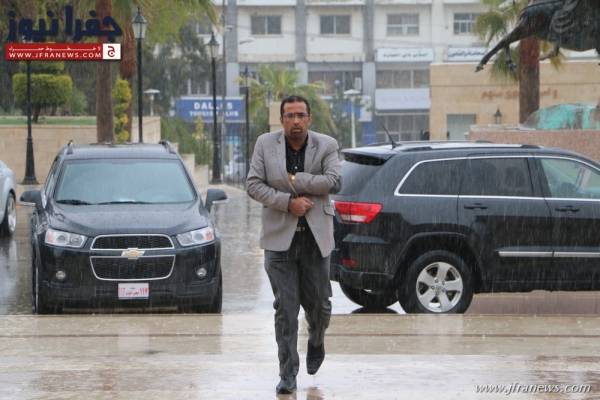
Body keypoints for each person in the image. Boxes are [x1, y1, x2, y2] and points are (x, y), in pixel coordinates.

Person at [246, 95, 342, 395]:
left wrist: (296, 179)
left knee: (320, 306)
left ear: (309, 118)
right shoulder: (265, 144)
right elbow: (253, 184)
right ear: (282, 120)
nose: (296, 121)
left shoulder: (326, 145)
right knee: (286, 310)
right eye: (290, 115)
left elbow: (334, 181)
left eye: (301, 115)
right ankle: (287, 373)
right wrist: (288, 203)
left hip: (316, 240)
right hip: (279, 241)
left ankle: (316, 339)